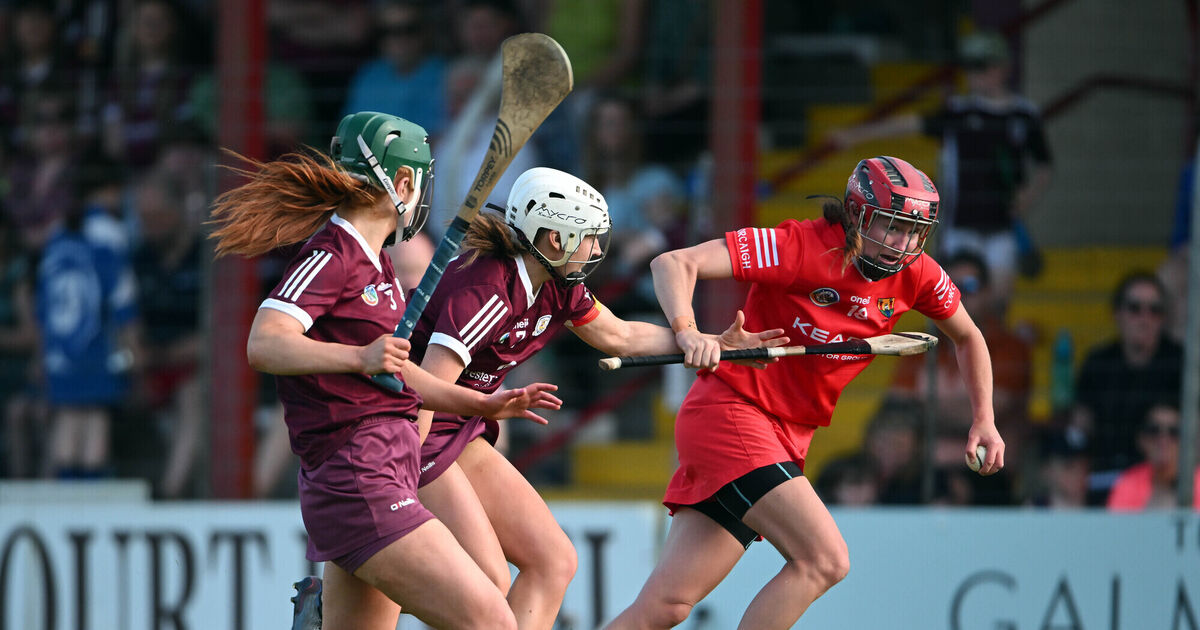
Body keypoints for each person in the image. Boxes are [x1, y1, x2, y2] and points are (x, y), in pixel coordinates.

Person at [289, 167, 786, 630]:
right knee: (488, 582)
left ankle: (334, 605)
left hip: (461, 427)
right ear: (555, 238)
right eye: (589, 237)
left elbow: (620, 337)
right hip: (415, 431)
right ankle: (333, 606)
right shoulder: (487, 290)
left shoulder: (558, 285)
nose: (597, 248)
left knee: (554, 561)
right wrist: (399, 471)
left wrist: (713, 343)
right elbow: (425, 392)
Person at [604, 156, 1005, 629]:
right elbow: (673, 262)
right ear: (857, 214)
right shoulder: (799, 247)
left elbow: (968, 336)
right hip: (732, 413)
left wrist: (984, 419)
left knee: (666, 607)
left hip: (789, 435)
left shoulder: (917, 274)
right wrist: (687, 331)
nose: (903, 244)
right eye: (892, 226)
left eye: (915, 232)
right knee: (825, 560)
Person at [208, 111, 562, 630]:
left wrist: (480, 404)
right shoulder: (333, 253)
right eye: (421, 183)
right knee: (493, 620)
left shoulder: (379, 264)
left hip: (386, 465)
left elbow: (398, 372)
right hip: (359, 475)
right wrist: (359, 357)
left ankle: (318, 613)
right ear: (402, 183)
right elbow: (265, 342)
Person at [829, 31, 1053, 306]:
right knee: (954, 300)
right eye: (969, 66)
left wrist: (1028, 196)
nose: (974, 74)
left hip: (1004, 224)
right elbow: (909, 124)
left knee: (997, 299)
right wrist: (856, 135)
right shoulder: (958, 111)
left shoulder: (1024, 115)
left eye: (982, 65)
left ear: (1003, 67)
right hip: (960, 224)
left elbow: (1044, 165)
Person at [1071, 271, 1182, 501]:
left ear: (1163, 318)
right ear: (1117, 314)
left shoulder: (1181, 363)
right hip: (1104, 479)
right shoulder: (1098, 363)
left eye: (1155, 310)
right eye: (1135, 308)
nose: (1145, 318)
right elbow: (1081, 429)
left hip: (1164, 483)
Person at [1107, 402, 1200, 511]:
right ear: (1141, 439)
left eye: (1174, 432)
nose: (1163, 440)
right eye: (1154, 431)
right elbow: (1117, 520)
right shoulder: (1129, 482)